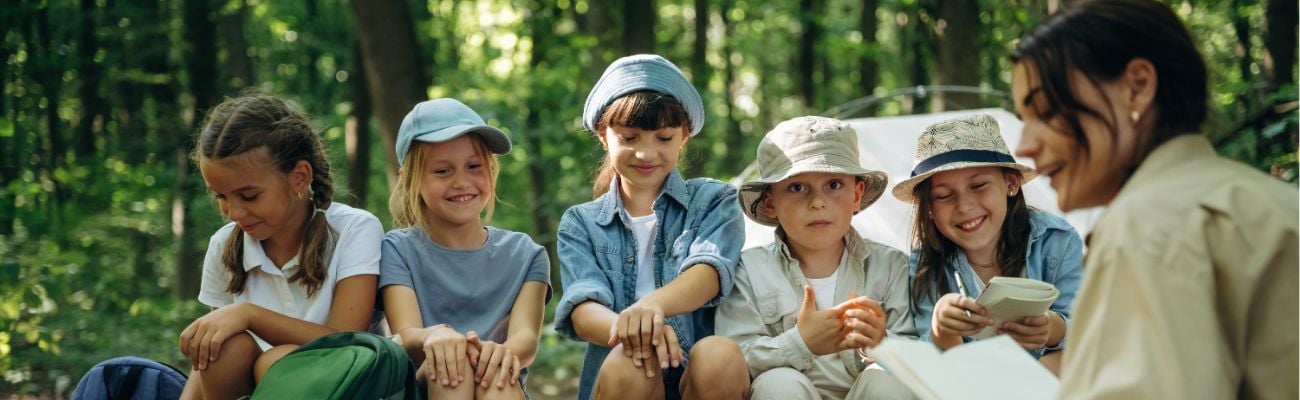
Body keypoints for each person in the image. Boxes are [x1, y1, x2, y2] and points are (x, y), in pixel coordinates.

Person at [1009, 0, 1298, 398]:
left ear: (1138, 87)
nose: (1024, 145)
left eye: (1044, 109)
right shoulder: (1273, 202)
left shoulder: (1147, 224)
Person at [553, 54, 750, 400]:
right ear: (604, 135)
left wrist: (652, 306)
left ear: (684, 136)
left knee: (721, 353)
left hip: (696, 374)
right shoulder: (580, 223)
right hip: (624, 379)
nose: (646, 153)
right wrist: (637, 330)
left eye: (663, 137)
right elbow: (582, 308)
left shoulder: (714, 200)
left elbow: (709, 272)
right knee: (635, 357)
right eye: (629, 138)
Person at [179, 93, 382, 399]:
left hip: (344, 386)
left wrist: (250, 314)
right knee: (223, 347)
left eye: (249, 196)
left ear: (299, 178)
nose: (233, 213)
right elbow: (207, 360)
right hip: (251, 389)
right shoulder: (223, 246)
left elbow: (346, 340)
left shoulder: (355, 230)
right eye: (220, 196)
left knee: (278, 360)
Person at [716, 116, 918, 399]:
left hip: (867, 391)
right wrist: (800, 342)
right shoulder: (748, 270)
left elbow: (915, 349)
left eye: (834, 184)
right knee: (778, 383)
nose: (818, 202)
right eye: (797, 188)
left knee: (889, 380)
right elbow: (735, 358)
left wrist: (881, 343)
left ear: (857, 194)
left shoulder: (890, 265)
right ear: (771, 202)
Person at [380, 98, 551, 400]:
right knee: (453, 368)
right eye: (442, 171)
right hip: (425, 386)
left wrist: (495, 354)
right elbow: (405, 335)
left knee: (495, 378)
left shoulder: (526, 254)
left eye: (474, 166)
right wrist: (437, 335)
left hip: (500, 384)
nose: (462, 182)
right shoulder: (397, 249)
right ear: (410, 179)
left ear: (491, 169)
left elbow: (525, 341)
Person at [895, 114, 1083, 375]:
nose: (964, 206)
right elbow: (929, 364)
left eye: (979, 185)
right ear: (928, 209)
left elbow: (1089, 330)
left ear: (1011, 183)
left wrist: (1053, 328)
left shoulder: (1057, 240)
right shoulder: (924, 262)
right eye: (943, 196)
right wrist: (942, 331)